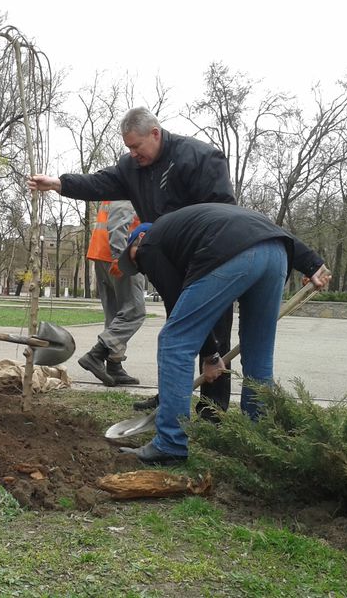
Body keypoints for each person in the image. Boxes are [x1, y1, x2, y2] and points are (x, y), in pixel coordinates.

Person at [28, 106, 236, 420]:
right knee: (176, 333)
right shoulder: (132, 168)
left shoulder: (200, 158)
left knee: (216, 334)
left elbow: (223, 212)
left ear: (155, 133)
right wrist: (58, 184)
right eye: (128, 148)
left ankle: (213, 411)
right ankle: (171, 395)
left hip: (210, 260)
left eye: (136, 146)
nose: (132, 153)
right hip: (171, 263)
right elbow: (98, 183)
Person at [117, 203, 330, 464]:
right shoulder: (199, 225)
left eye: (134, 260)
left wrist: (209, 356)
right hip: (277, 253)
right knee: (258, 353)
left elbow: (176, 303)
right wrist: (311, 263)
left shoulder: (150, 243)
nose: (141, 268)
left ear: (139, 238)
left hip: (235, 253)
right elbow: (262, 227)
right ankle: (260, 440)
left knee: (174, 341)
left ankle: (170, 444)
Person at [79, 200, 144, 386]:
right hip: (118, 257)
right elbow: (118, 224)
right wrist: (119, 259)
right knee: (134, 312)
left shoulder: (115, 188)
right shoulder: (128, 188)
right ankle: (96, 354)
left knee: (116, 315)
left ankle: (114, 365)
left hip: (101, 255)